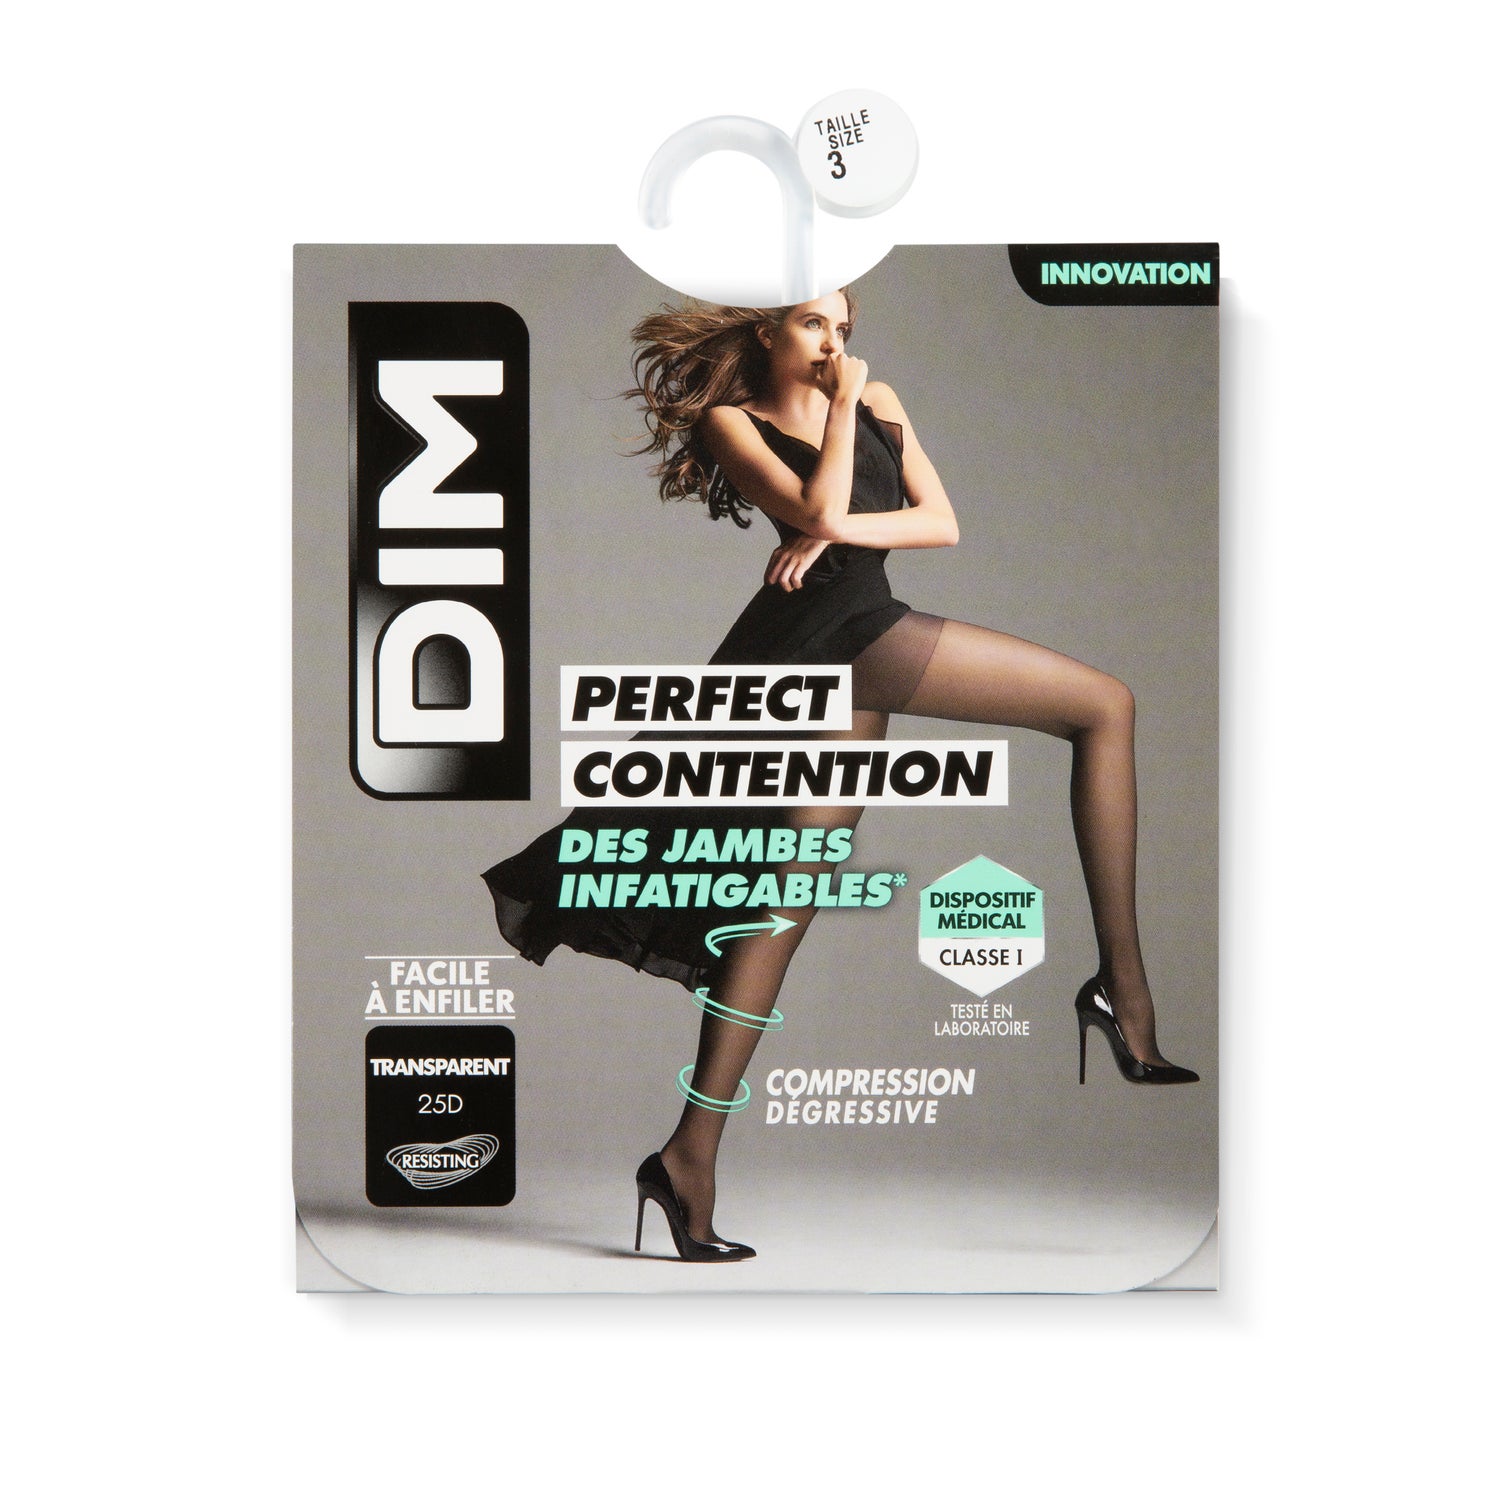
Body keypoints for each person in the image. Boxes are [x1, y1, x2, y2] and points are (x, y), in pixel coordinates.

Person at [484, 289, 1196, 1264]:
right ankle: (1124, 996)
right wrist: (840, 448)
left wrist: (830, 528)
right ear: (768, 330)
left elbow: (940, 523)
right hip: (820, 641)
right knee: (1103, 706)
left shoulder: (881, 398)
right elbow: (819, 505)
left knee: (790, 895)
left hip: (847, 630)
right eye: (816, 324)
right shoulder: (734, 421)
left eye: (845, 328)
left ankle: (687, 1158)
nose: (836, 342)